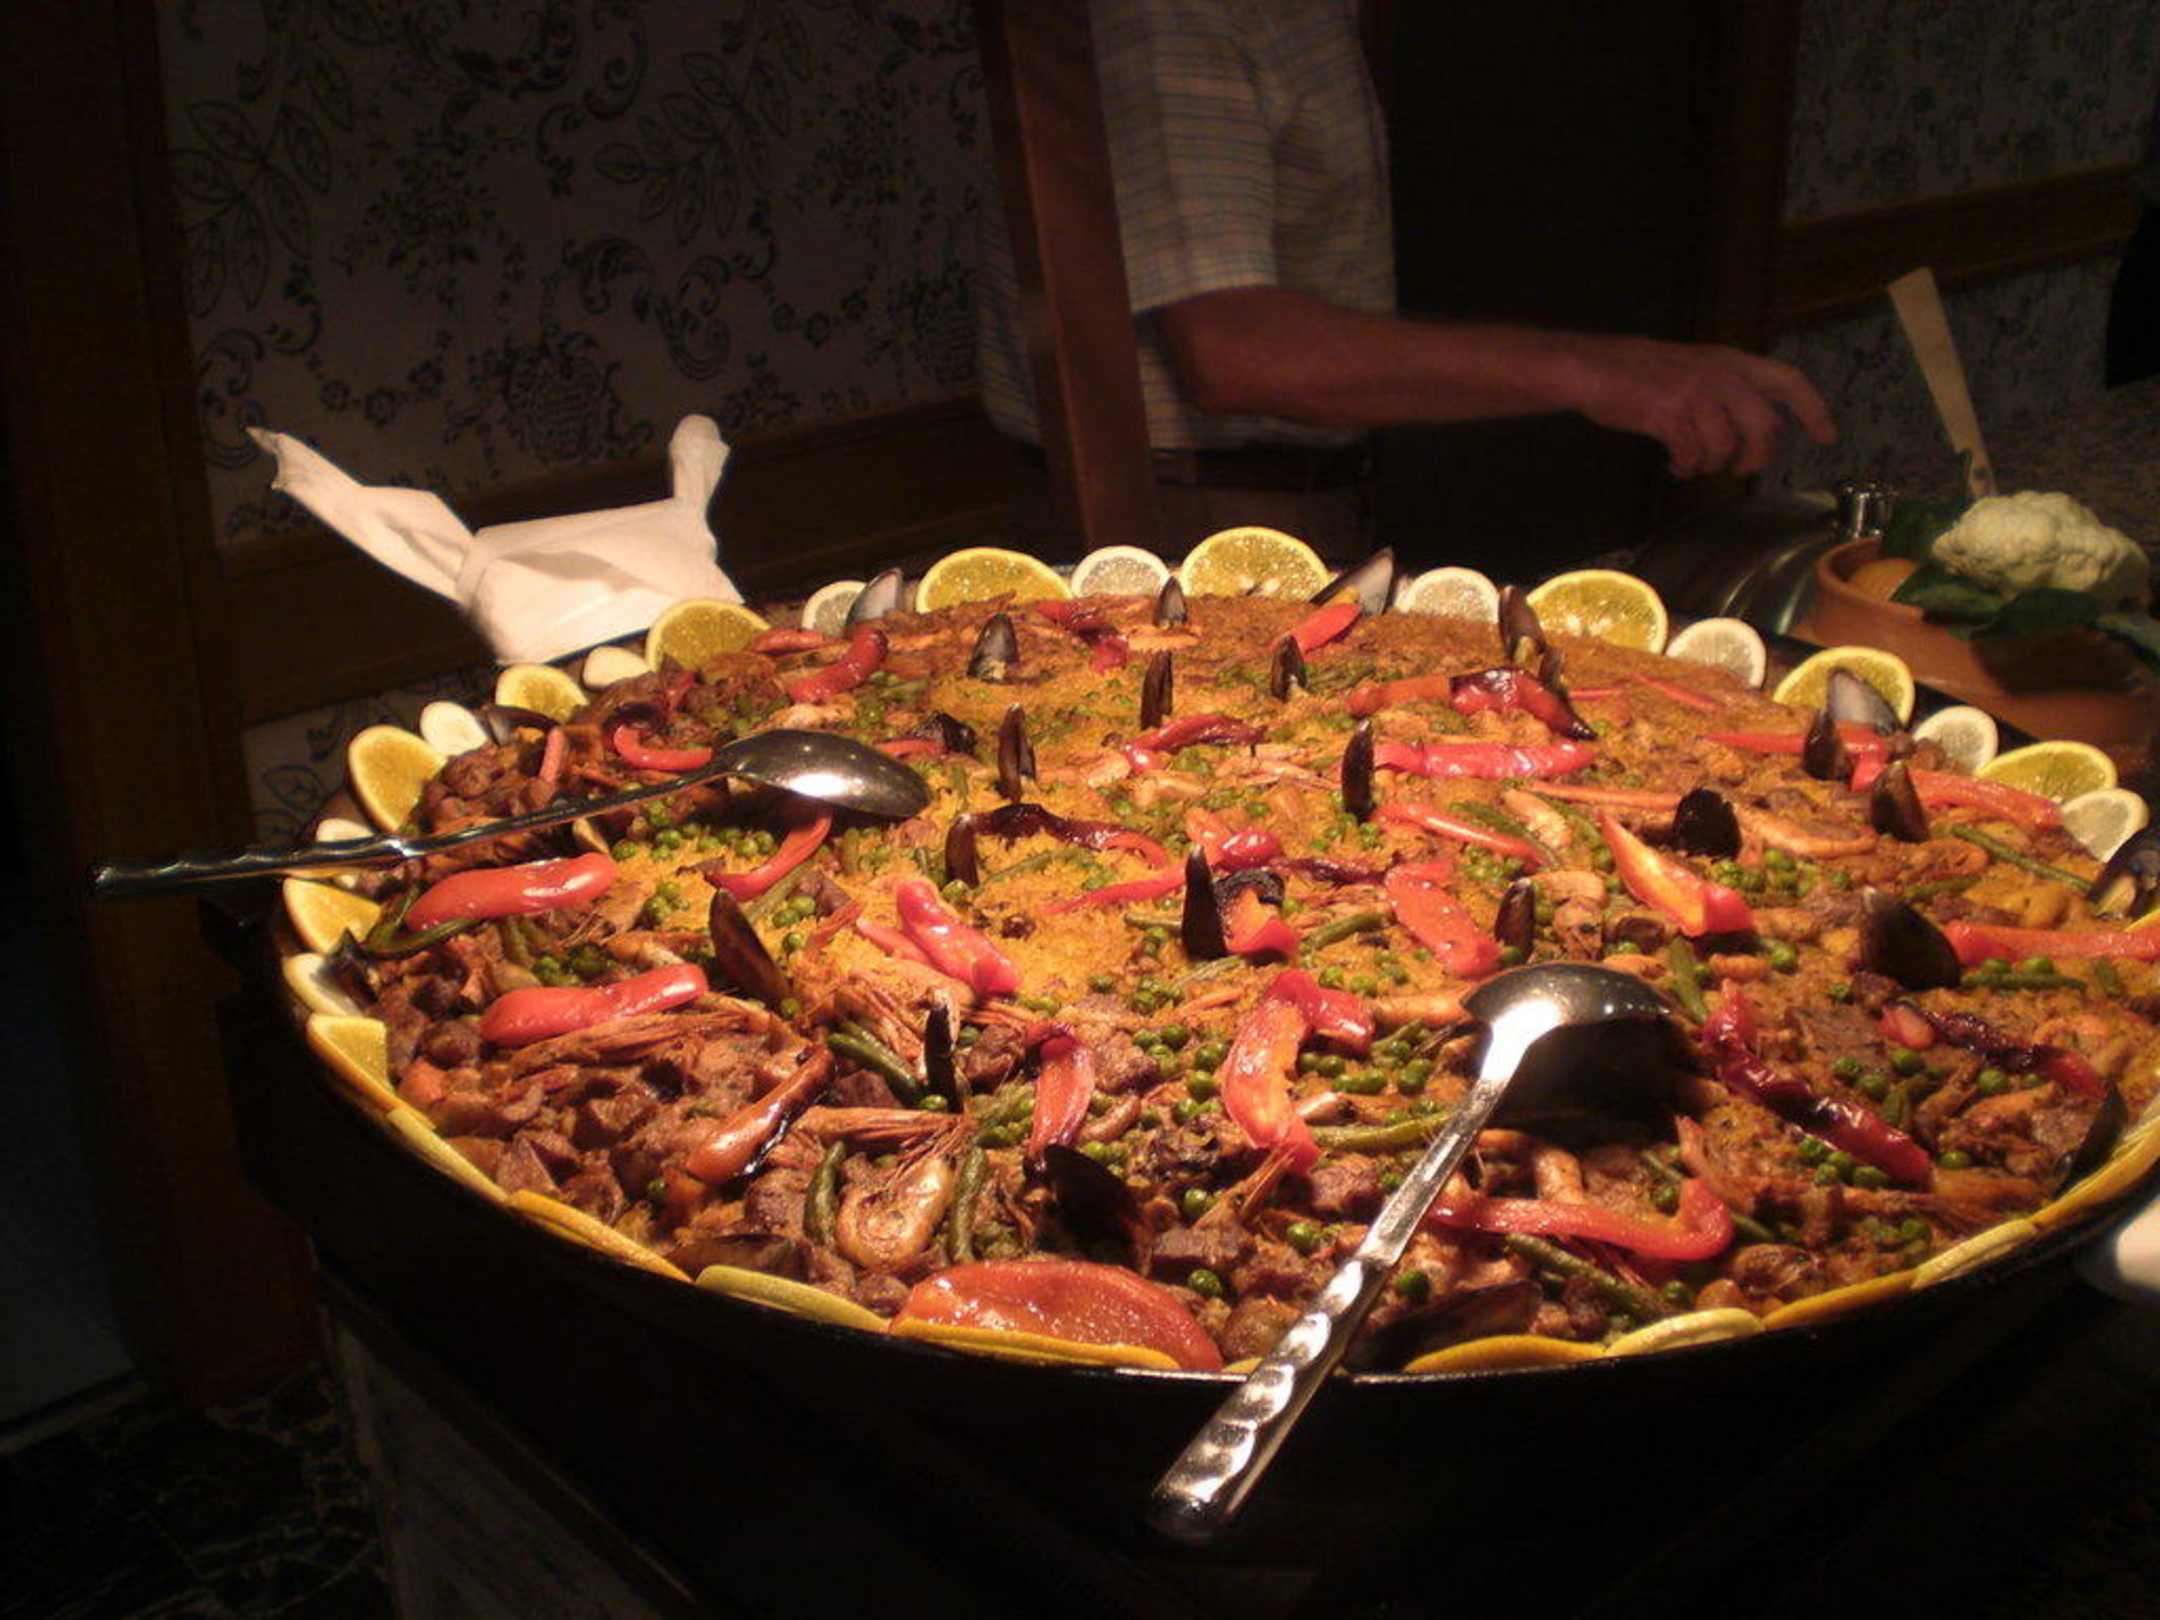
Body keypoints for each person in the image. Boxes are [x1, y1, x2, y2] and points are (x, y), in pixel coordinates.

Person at [976, 0, 1837, 559]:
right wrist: (1602, 372)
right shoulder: (1176, 14)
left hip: (1290, 495)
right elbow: (1234, 353)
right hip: (1182, 519)